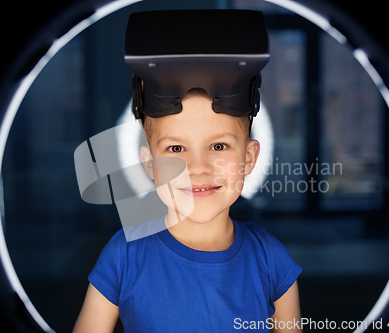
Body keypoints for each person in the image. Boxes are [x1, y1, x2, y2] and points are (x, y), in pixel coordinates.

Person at [73, 9, 302, 333]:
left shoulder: (271, 260)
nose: (197, 167)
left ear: (249, 158)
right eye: (176, 149)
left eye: (219, 146)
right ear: (150, 165)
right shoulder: (123, 256)